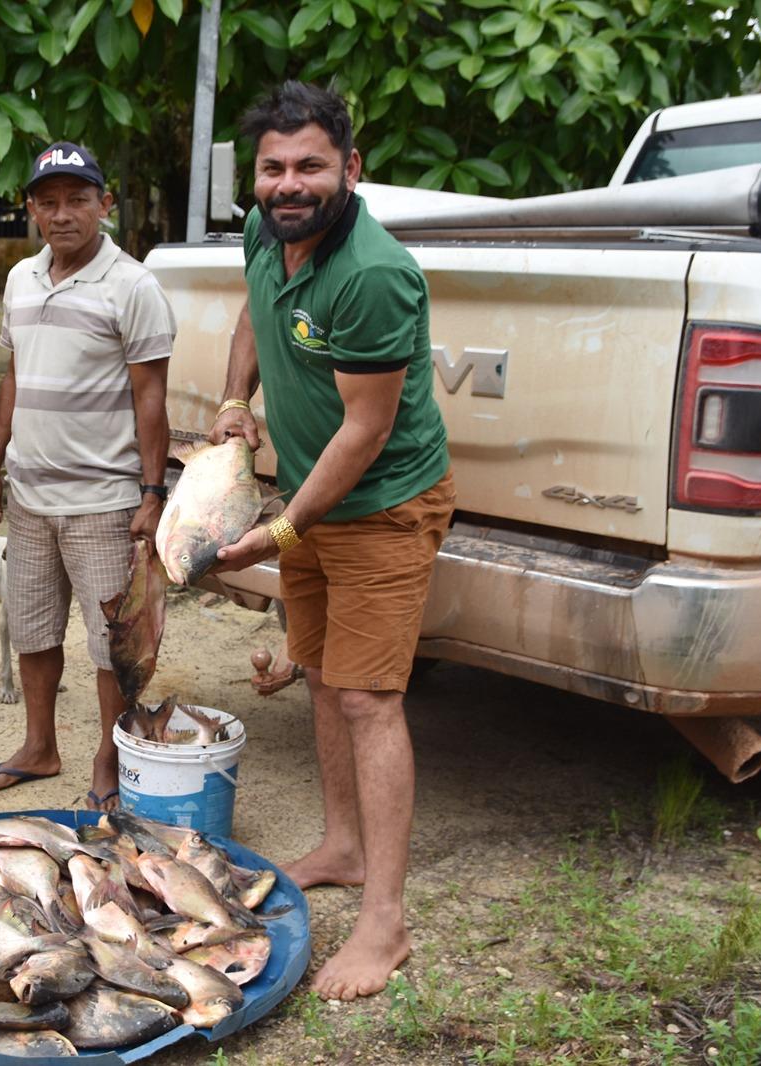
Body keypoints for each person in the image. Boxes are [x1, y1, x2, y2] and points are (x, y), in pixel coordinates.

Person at [207, 82, 454, 1001]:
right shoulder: (265, 232)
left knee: (368, 699)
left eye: (310, 165)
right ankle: (344, 844)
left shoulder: (373, 274)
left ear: (351, 168)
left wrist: (276, 527)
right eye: (273, 168)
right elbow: (252, 317)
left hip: (382, 503)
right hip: (311, 499)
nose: (289, 183)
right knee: (318, 672)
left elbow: (367, 430)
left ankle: (385, 923)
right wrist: (237, 403)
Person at [0, 141, 175, 812]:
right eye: (48, 202)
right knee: (31, 627)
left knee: (111, 643)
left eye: (78, 200)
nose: (63, 215)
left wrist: (151, 493)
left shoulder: (133, 285)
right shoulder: (21, 279)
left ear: (103, 205)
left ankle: (107, 759)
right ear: (31, 208)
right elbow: (14, 380)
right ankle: (39, 747)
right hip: (30, 495)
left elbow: (151, 398)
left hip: (102, 499)